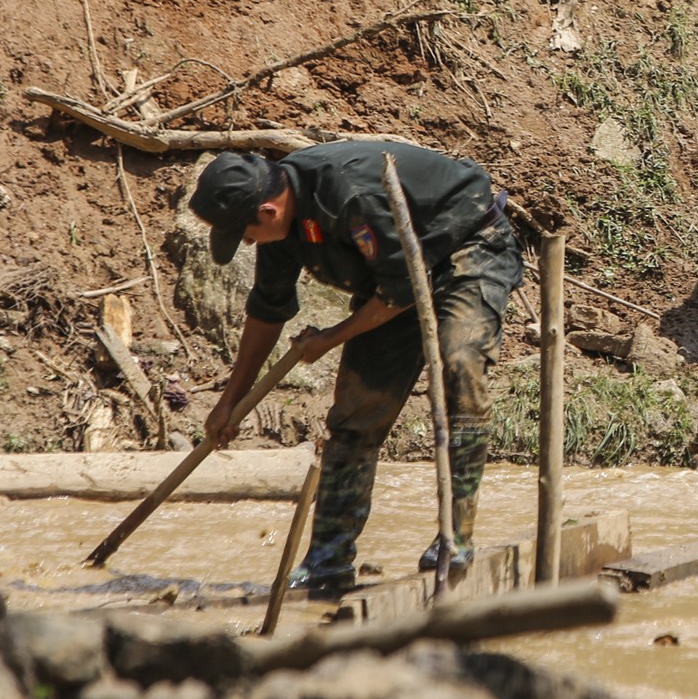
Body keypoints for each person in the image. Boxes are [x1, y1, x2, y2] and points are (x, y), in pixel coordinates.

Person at [187, 141, 522, 597]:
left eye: (245, 233)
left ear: (267, 210)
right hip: (390, 283)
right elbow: (268, 310)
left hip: (464, 250)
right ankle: (329, 558)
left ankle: (455, 537)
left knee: (459, 365)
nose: (246, 243)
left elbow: (403, 288)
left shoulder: (350, 195)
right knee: (356, 413)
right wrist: (230, 403)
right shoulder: (281, 230)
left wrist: (330, 338)